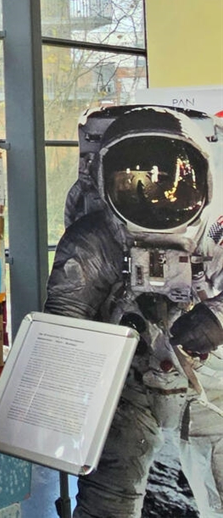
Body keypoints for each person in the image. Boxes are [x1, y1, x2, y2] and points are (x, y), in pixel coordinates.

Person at [46, 104, 223, 517]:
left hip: (208, 389)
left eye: (169, 177)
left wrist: (215, 318)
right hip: (124, 388)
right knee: (112, 497)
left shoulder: (214, 231)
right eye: (137, 178)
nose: (158, 191)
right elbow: (65, 327)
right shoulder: (94, 240)